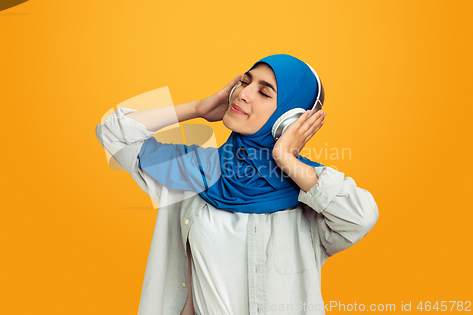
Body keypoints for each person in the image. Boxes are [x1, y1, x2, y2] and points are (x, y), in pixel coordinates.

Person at [95, 54, 379, 315]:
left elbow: (360, 217)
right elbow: (113, 133)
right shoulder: (196, 170)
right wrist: (196, 108)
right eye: (244, 82)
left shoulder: (309, 189)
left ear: (289, 118)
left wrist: (285, 157)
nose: (242, 93)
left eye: (263, 91)